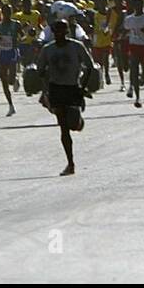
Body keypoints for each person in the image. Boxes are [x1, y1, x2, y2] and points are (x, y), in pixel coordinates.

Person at [35, 19, 95, 176]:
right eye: (57, 32)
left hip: (72, 88)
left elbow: (90, 66)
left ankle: (77, 121)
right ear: (53, 33)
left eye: (63, 31)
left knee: (73, 124)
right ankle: (70, 163)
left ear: (67, 32)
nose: (59, 35)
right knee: (63, 127)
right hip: (56, 89)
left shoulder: (76, 47)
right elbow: (40, 70)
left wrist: (83, 87)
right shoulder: (48, 50)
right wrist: (45, 87)